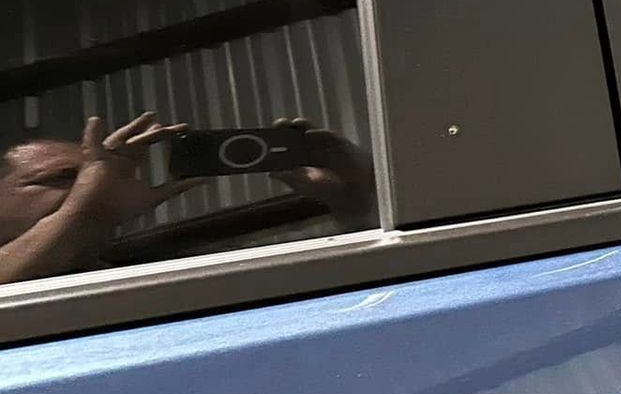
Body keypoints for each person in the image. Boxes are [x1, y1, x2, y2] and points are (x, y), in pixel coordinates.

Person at [0, 112, 375, 286]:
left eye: (94, 176)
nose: (91, 186)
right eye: (63, 178)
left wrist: (358, 206)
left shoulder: (151, 286)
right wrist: (85, 210)